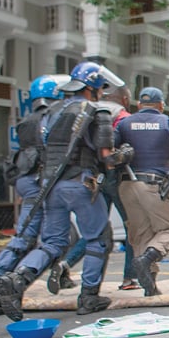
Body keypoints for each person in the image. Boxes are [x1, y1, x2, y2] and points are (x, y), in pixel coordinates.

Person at [0, 62, 130, 321]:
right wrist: (123, 154)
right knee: (99, 238)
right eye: (100, 89)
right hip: (81, 184)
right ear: (92, 88)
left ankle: (17, 280)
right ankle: (89, 297)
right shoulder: (96, 111)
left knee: (53, 242)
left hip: (50, 186)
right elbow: (106, 157)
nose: (101, 93)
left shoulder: (50, 112)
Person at [0, 75, 62, 315]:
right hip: (41, 183)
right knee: (44, 239)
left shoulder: (26, 121)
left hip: (26, 182)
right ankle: (4, 284)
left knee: (26, 235)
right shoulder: (51, 119)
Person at [47, 85, 139, 292]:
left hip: (91, 177)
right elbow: (117, 149)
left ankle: (66, 264)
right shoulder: (121, 115)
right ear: (124, 99)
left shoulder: (83, 108)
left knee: (95, 230)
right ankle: (129, 278)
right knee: (131, 227)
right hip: (115, 175)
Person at [115, 86, 169, 296]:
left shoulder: (124, 123)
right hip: (154, 185)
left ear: (139, 105)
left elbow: (112, 150)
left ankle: (150, 286)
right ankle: (148, 259)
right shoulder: (168, 123)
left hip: (127, 185)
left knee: (141, 235)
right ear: (161, 105)